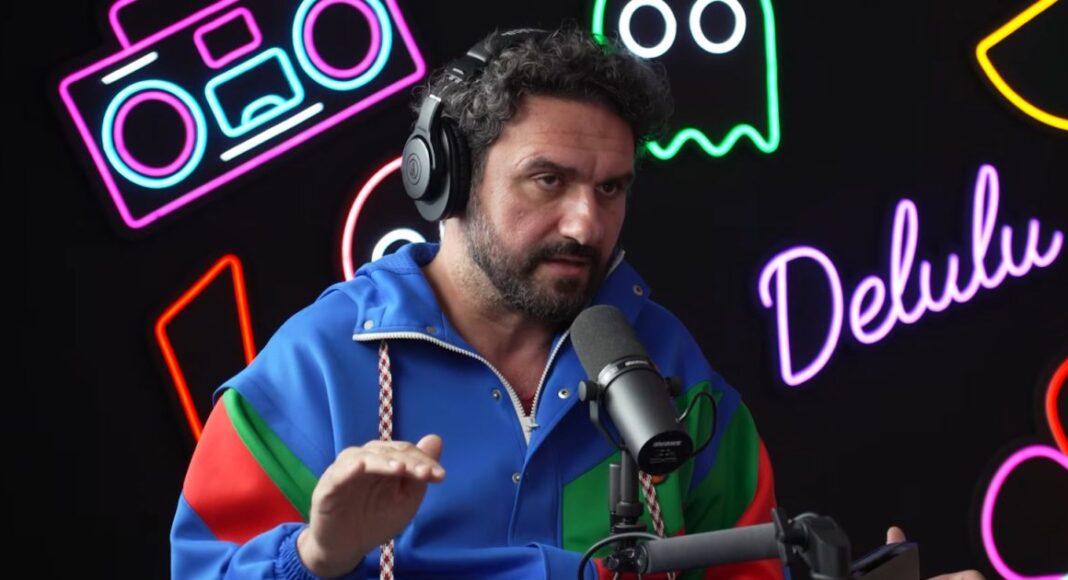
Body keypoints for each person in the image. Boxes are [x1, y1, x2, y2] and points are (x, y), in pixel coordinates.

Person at [169, 26, 976, 579]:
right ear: (447, 178)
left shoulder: (671, 365)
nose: (587, 223)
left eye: (611, 188)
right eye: (548, 180)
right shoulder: (314, 368)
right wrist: (314, 556)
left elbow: (752, 569)